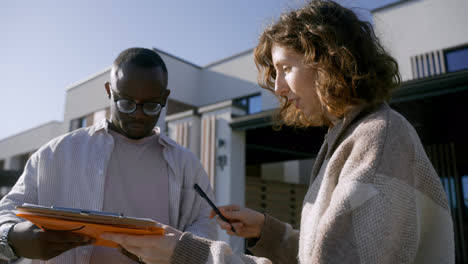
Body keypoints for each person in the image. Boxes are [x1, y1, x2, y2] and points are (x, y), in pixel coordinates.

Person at [101, 1, 455, 263]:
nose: (279, 88)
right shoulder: (349, 137)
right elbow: (331, 251)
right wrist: (269, 232)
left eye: (285, 68)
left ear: (330, 59)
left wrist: (186, 253)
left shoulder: (378, 139)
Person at [0, 48, 216, 263]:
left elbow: (204, 222)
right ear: (109, 91)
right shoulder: (56, 153)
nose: (138, 114)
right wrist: (12, 236)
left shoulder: (187, 164)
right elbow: (7, 211)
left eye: (151, 105)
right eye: (126, 103)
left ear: (165, 97)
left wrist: (178, 253)